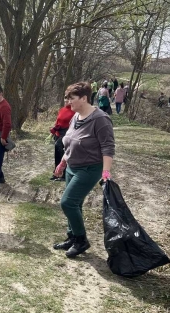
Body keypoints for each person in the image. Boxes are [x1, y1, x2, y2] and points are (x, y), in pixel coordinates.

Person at [53, 82, 115, 258]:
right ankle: (72, 237)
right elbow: (71, 141)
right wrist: (63, 162)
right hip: (72, 166)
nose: (68, 102)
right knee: (76, 204)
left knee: (67, 202)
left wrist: (106, 173)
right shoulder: (76, 116)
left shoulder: (100, 119)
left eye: (71, 98)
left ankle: (81, 240)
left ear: (84, 98)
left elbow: (108, 147)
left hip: (89, 169)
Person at [49, 95, 75, 181]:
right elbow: (58, 121)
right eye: (65, 98)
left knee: (62, 152)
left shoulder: (74, 111)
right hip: (58, 132)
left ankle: (64, 174)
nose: (67, 100)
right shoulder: (62, 109)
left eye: (69, 99)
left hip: (66, 133)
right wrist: (54, 129)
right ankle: (56, 173)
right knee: (57, 153)